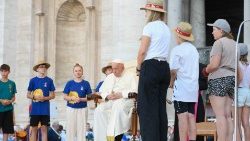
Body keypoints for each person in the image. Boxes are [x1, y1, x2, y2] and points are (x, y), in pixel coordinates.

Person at [137, 0, 171, 140]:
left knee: (146, 108)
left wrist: (139, 67)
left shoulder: (149, 27)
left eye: (146, 11)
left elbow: (142, 51)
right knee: (160, 108)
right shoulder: (166, 28)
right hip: (164, 67)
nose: (145, 13)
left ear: (151, 12)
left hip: (150, 66)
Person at [204, 19, 235, 141]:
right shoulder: (234, 44)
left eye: (214, 30)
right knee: (228, 116)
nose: (212, 33)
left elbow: (215, 64)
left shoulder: (219, 43)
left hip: (218, 78)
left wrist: (206, 70)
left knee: (220, 115)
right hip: (232, 79)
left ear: (221, 31)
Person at [93, 59, 137, 141]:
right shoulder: (110, 77)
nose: (114, 71)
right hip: (111, 101)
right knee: (99, 110)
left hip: (126, 100)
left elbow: (135, 91)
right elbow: (101, 92)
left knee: (118, 106)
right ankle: (102, 139)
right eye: (113, 68)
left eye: (116, 68)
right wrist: (107, 96)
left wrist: (121, 94)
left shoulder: (131, 75)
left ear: (122, 67)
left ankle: (116, 138)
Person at [169, 22, 199, 141]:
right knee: (191, 117)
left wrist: (171, 83)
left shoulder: (177, 50)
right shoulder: (194, 50)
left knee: (182, 117)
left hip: (181, 88)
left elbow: (173, 71)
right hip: (192, 88)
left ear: (179, 36)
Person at [26, 60, 56, 141]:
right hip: (35, 110)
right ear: (37, 69)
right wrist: (35, 97)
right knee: (34, 130)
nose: (43, 68)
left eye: (44, 67)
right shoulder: (33, 80)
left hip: (45, 109)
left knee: (44, 130)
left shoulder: (49, 80)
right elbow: (28, 95)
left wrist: (44, 98)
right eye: (41, 67)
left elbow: (53, 95)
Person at [63, 63, 92, 141]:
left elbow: (90, 97)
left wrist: (81, 99)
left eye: (79, 70)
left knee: (82, 129)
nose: (78, 72)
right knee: (70, 129)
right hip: (71, 109)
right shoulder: (69, 83)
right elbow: (64, 97)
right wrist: (71, 98)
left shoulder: (86, 83)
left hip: (82, 109)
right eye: (76, 71)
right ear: (73, 72)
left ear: (82, 72)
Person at [235, 43, 250, 141]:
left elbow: (239, 78)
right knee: (246, 123)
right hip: (248, 92)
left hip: (239, 91)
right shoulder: (249, 65)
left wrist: (235, 86)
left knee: (238, 123)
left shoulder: (237, 64)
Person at [0, 64, 17, 141]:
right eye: (2, 71)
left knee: (6, 131)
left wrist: (10, 101)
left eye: (5, 71)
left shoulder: (12, 83)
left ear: (9, 72)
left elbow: (13, 97)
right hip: (0, 109)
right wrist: (1, 100)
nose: (4, 73)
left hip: (8, 110)